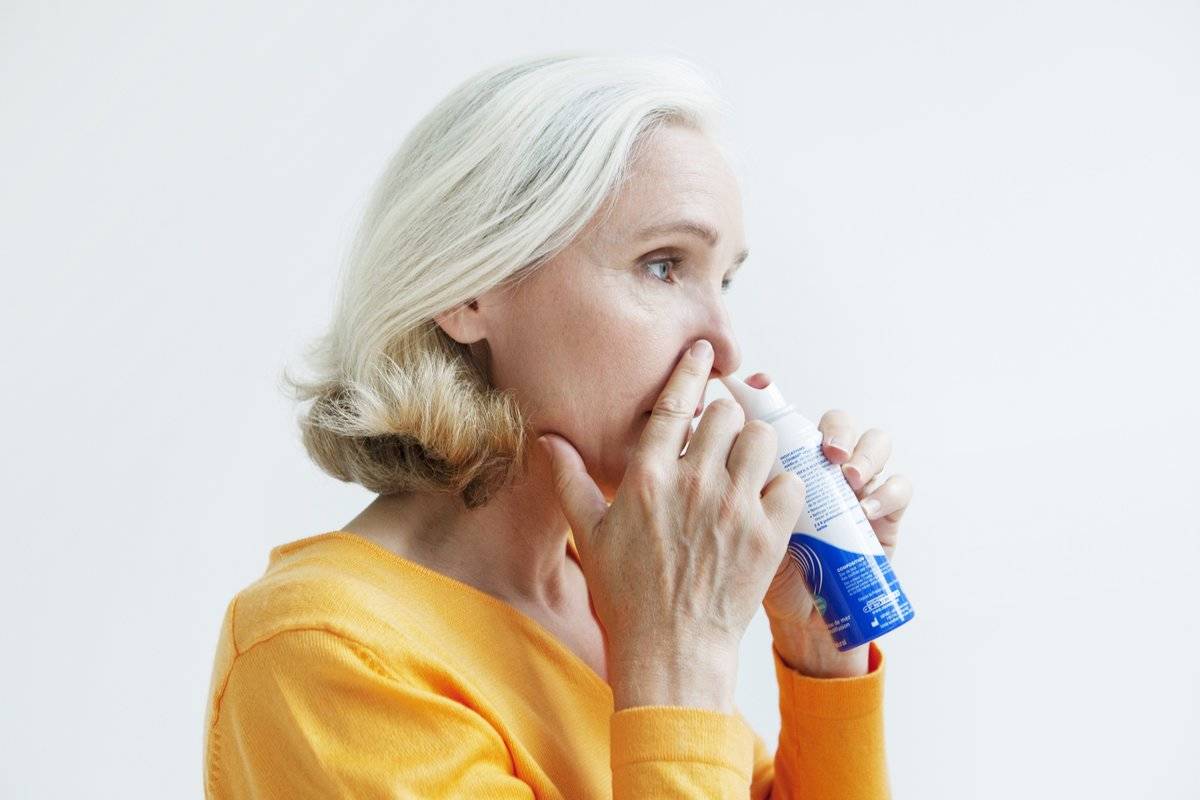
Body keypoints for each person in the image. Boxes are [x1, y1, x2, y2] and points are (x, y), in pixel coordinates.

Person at [203, 51, 914, 799]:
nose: (725, 345)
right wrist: (677, 662)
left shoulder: (620, 581)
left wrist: (818, 650)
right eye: (664, 265)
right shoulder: (325, 650)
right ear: (468, 287)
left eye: (725, 278)